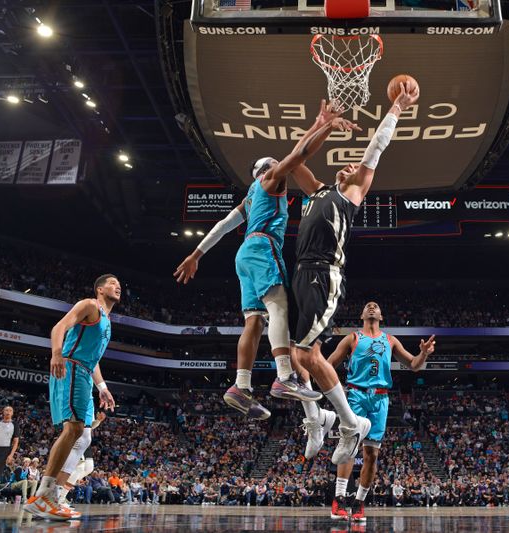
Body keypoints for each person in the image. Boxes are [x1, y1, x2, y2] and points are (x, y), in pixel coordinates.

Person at [173, 102, 358, 419]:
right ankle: (285, 376)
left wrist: (195, 254)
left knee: (254, 321)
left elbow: (222, 226)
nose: (280, 164)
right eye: (275, 163)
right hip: (262, 249)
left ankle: (241, 386)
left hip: (243, 255)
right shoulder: (272, 179)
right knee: (279, 307)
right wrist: (325, 127)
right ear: (265, 170)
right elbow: (299, 156)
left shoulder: (250, 198)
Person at [289, 83, 420, 466]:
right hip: (300, 272)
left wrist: (395, 107)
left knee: (302, 352)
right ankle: (324, 418)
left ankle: (343, 422)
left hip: (323, 273)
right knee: (300, 354)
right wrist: (320, 124)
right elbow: (295, 160)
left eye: (353, 168)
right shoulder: (315, 191)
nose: (349, 168)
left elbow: (375, 149)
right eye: (344, 166)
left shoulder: (351, 197)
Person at [325, 301, 435, 521]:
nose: (372, 307)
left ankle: (359, 503)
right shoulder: (353, 338)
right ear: (362, 315)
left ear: (381, 316)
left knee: (372, 454)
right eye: (368, 306)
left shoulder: (390, 340)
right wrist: (338, 393)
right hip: (356, 394)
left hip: (380, 398)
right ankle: (338, 500)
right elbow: (328, 365)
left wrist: (423, 354)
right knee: (349, 447)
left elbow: (414, 365)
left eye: (376, 306)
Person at [24, 274, 119, 520]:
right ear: (99, 289)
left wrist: (103, 387)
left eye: (119, 284)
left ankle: (55, 496)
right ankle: (43, 496)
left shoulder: (108, 321)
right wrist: (56, 353)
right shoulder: (89, 305)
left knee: (84, 435)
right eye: (112, 282)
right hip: (71, 367)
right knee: (74, 429)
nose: (117, 286)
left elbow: (95, 359)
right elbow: (59, 327)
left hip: (86, 373)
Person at [56, 411, 106, 510]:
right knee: (78, 469)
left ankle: (64, 488)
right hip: (77, 437)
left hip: (86, 440)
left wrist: (98, 421)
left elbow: (89, 426)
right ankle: (60, 498)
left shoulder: (90, 404)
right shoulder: (80, 404)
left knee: (89, 468)